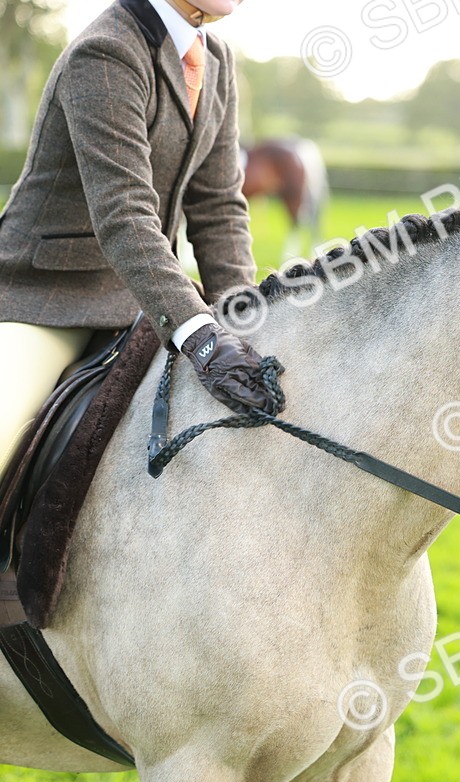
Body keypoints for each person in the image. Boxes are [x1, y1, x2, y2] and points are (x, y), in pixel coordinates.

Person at [0, 0, 278, 473]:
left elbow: (218, 207)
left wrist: (242, 314)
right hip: (46, 299)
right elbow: (124, 211)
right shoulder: (105, 51)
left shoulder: (216, 60)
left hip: (143, 300)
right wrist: (203, 338)